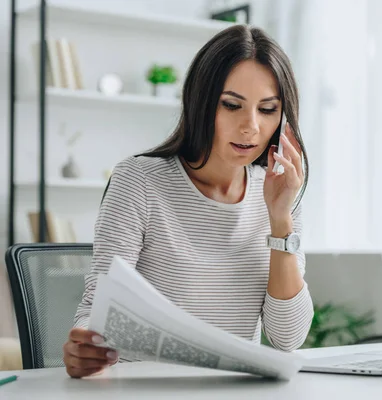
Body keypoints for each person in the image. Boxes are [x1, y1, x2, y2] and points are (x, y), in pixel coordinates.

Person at [62, 24, 314, 379]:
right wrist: (85, 346)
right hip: (145, 389)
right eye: (232, 105)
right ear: (201, 101)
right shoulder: (140, 181)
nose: (250, 126)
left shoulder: (280, 193)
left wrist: (280, 219)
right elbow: (96, 309)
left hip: (231, 391)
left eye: (268, 109)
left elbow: (288, 337)